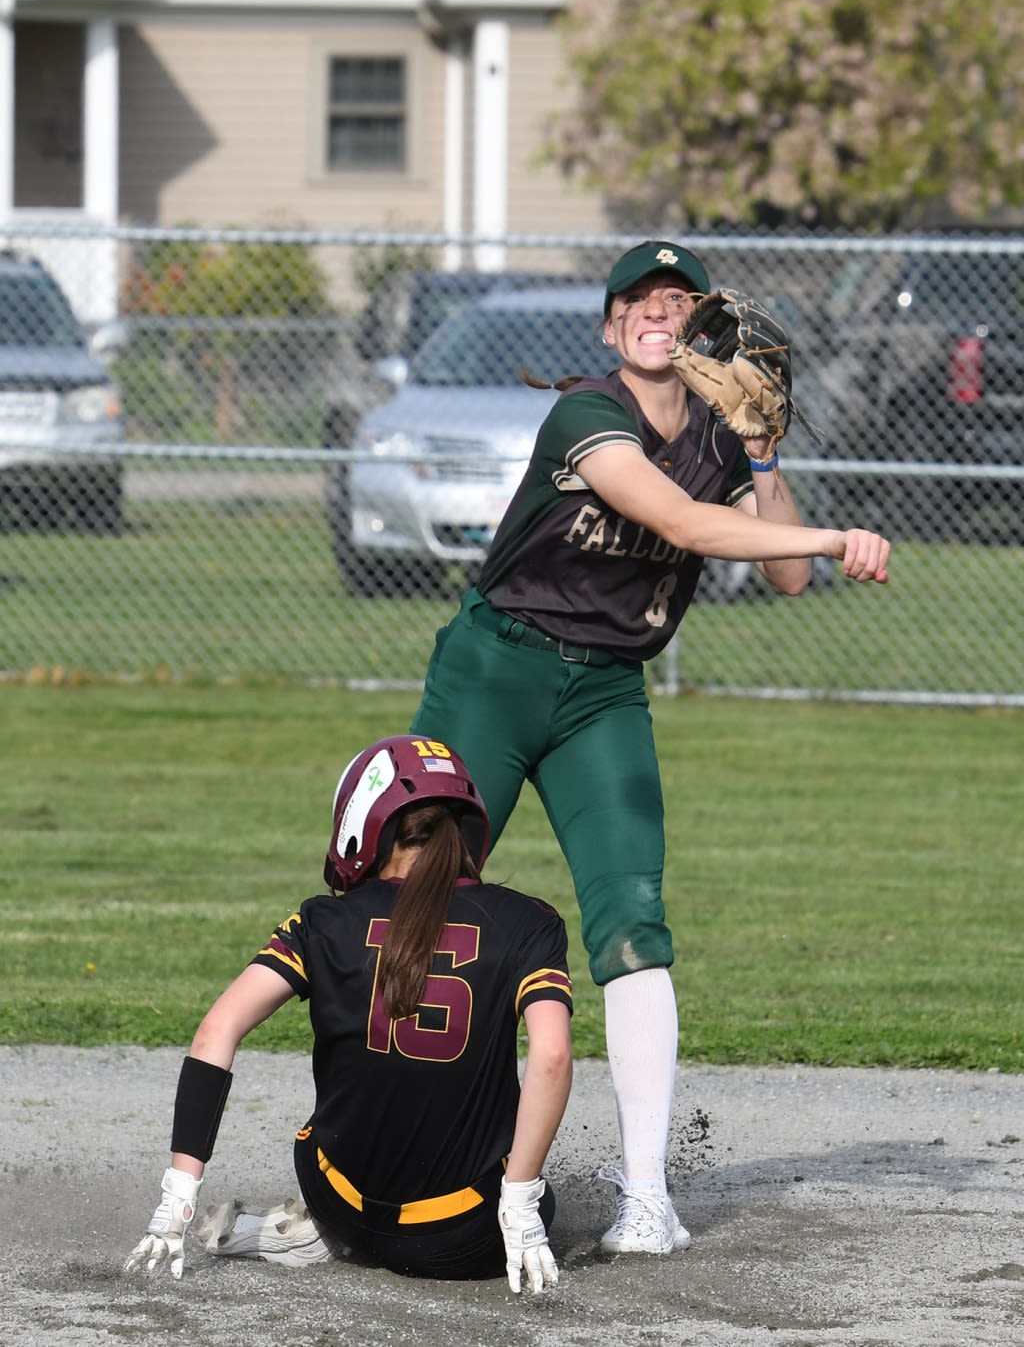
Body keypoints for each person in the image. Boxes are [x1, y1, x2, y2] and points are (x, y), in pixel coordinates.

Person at [411, 238, 891, 1257]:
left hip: (604, 693)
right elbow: (681, 521)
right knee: (422, 899)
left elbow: (786, 585)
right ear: (610, 325)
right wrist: (828, 536)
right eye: (638, 298)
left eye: (676, 297)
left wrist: (764, 460)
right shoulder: (586, 412)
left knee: (634, 920)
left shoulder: (722, 439)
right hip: (494, 670)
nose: (657, 311)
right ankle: (394, 1154)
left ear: (697, 324)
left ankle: (642, 1194)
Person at [125, 735, 573, 1294]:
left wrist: (178, 1197)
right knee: (538, 1187)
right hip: (465, 1239)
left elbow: (218, 1030)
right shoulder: (530, 922)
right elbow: (551, 1057)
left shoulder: (322, 921)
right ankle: (516, 1202)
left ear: (364, 823)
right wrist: (523, 1201)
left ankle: (309, 1236)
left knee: (330, 1142)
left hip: (341, 1209)